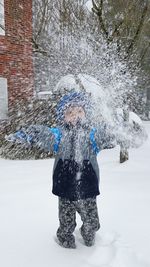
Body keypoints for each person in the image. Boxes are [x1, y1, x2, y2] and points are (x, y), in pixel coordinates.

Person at [5, 91, 116, 249]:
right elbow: (44, 134)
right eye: (69, 112)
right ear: (63, 116)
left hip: (88, 188)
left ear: (86, 114)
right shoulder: (59, 135)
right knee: (66, 221)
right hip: (65, 187)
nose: (75, 116)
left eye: (79, 111)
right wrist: (30, 133)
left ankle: (88, 233)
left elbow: (106, 134)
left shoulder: (92, 135)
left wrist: (118, 131)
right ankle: (65, 240)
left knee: (92, 220)